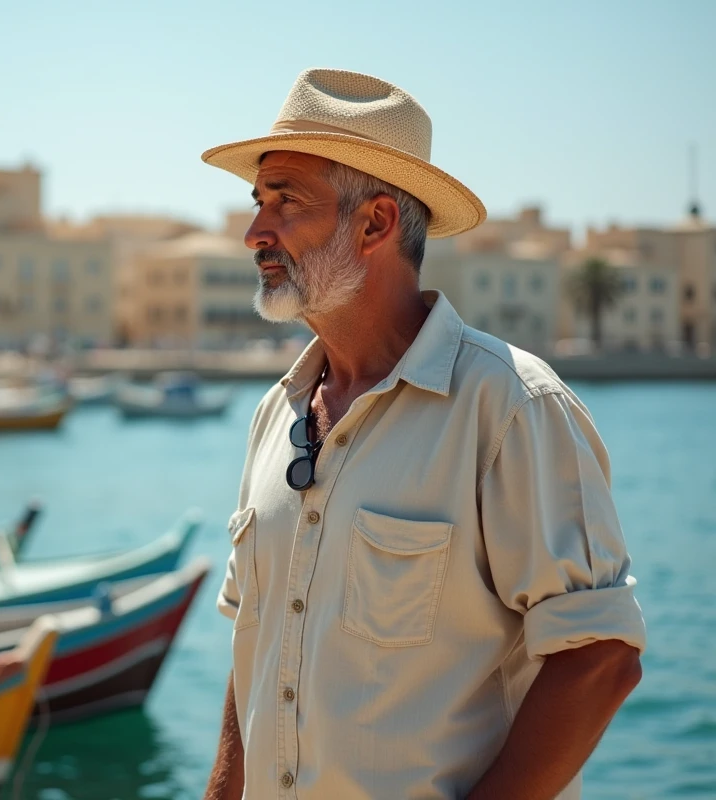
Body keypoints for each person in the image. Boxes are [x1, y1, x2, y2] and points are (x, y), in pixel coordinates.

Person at [201, 69, 645, 800]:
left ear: (375, 223)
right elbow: (257, 642)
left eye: (286, 202)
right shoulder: (276, 416)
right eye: (258, 202)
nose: (255, 232)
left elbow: (599, 660)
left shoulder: (509, 405)